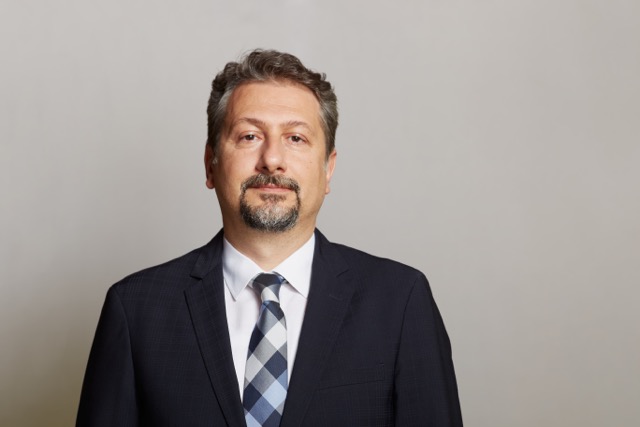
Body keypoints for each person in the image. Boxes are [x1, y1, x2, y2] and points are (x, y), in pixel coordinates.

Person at [77, 49, 463, 426]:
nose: (272, 159)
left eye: (296, 138)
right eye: (249, 136)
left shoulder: (400, 301)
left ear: (328, 169)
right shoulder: (136, 310)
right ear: (210, 164)